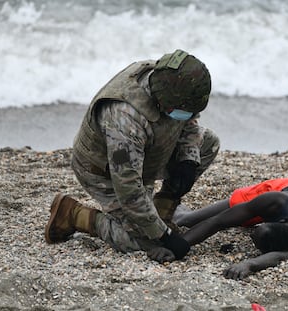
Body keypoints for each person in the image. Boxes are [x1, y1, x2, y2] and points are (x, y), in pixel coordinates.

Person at [44, 49, 220, 262]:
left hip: (147, 152)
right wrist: (163, 235)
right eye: (183, 109)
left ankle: (162, 210)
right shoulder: (124, 118)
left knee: (207, 144)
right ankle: (74, 214)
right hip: (104, 171)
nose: (190, 115)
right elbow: (128, 188)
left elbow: (189, 121)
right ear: (167, 103)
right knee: (139, 243)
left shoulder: (169, 84)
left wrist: (188, 160)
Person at [166, 168, 288, 280]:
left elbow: (283, 256)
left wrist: (250, 264)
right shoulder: (276, 200)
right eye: (258, 230)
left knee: (245, 218)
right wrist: (179, 246)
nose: (252, 232)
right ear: (277, 220)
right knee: (234, 205)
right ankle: (186, 216)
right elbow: (218, 221)